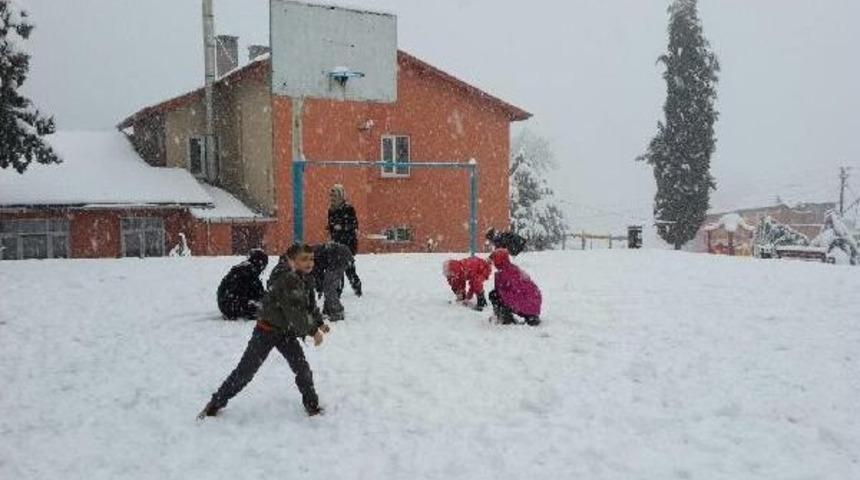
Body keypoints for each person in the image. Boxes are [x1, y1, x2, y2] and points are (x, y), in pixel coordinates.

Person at [199, 244, 330, 419]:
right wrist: (313, 331)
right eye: (304, 259)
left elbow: (309, 305)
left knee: (302, 368)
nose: (309, 263)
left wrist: (319, 322)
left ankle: (312, 405)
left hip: (286, 333)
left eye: (311, 259)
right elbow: (295, 312)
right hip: (266, 331)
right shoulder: (287, 280)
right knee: (245, 371)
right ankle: (216, 403)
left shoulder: (306, 278)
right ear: (291, 261)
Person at [488, 248, 542, 326]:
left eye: (494, 260)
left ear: (498, 260)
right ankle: (529, 316)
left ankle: (505, 318)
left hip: (527, 304)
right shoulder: (512, 268)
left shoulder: (504, 273)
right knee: (498, 294)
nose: (493, 263)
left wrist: (502, 308)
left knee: (495, 295)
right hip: (533, 304)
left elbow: (504, 293)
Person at [327, 184, 362, 296]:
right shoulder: (331, 210)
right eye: (331, 195)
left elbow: (354, 224)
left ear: (340, 195)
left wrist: (342, 227)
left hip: (348, 241)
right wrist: (331, 228)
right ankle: (338, 289)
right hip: (336, 241)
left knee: (348, 267)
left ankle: (356, 287)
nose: (332, 198)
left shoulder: (349, 209)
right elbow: (331, 225)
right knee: (337, 267)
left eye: (334, 195)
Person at [216, 249, 268, 320]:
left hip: (225, 304)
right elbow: (259, 293)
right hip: (232, 307)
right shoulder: (250, 272)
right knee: (264, 310)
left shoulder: (242, 268)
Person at [311, 242, 354, 321]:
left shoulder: (310, 257)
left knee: (328, 287)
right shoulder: (311, 254)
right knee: (328, 286)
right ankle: (328, 311)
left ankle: (337, 312)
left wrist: (319, 288)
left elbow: (318, 275)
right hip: (340, 255)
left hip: (339, 257)